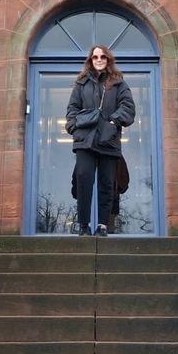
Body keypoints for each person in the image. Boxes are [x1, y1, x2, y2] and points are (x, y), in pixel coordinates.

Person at [66, 45, 135, 236]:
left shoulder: (119, 83)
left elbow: (128, 108)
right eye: (95, 57)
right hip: (85, 141)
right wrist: (73, 126)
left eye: (102, 56)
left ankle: (103, 225)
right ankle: (83, 225)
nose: (99, 59)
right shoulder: (81, 84)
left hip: (108, 141)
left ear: (108, 59)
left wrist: (112, 122)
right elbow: (72, 109)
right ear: (90, 60)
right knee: (83, 179)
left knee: (106, 183)